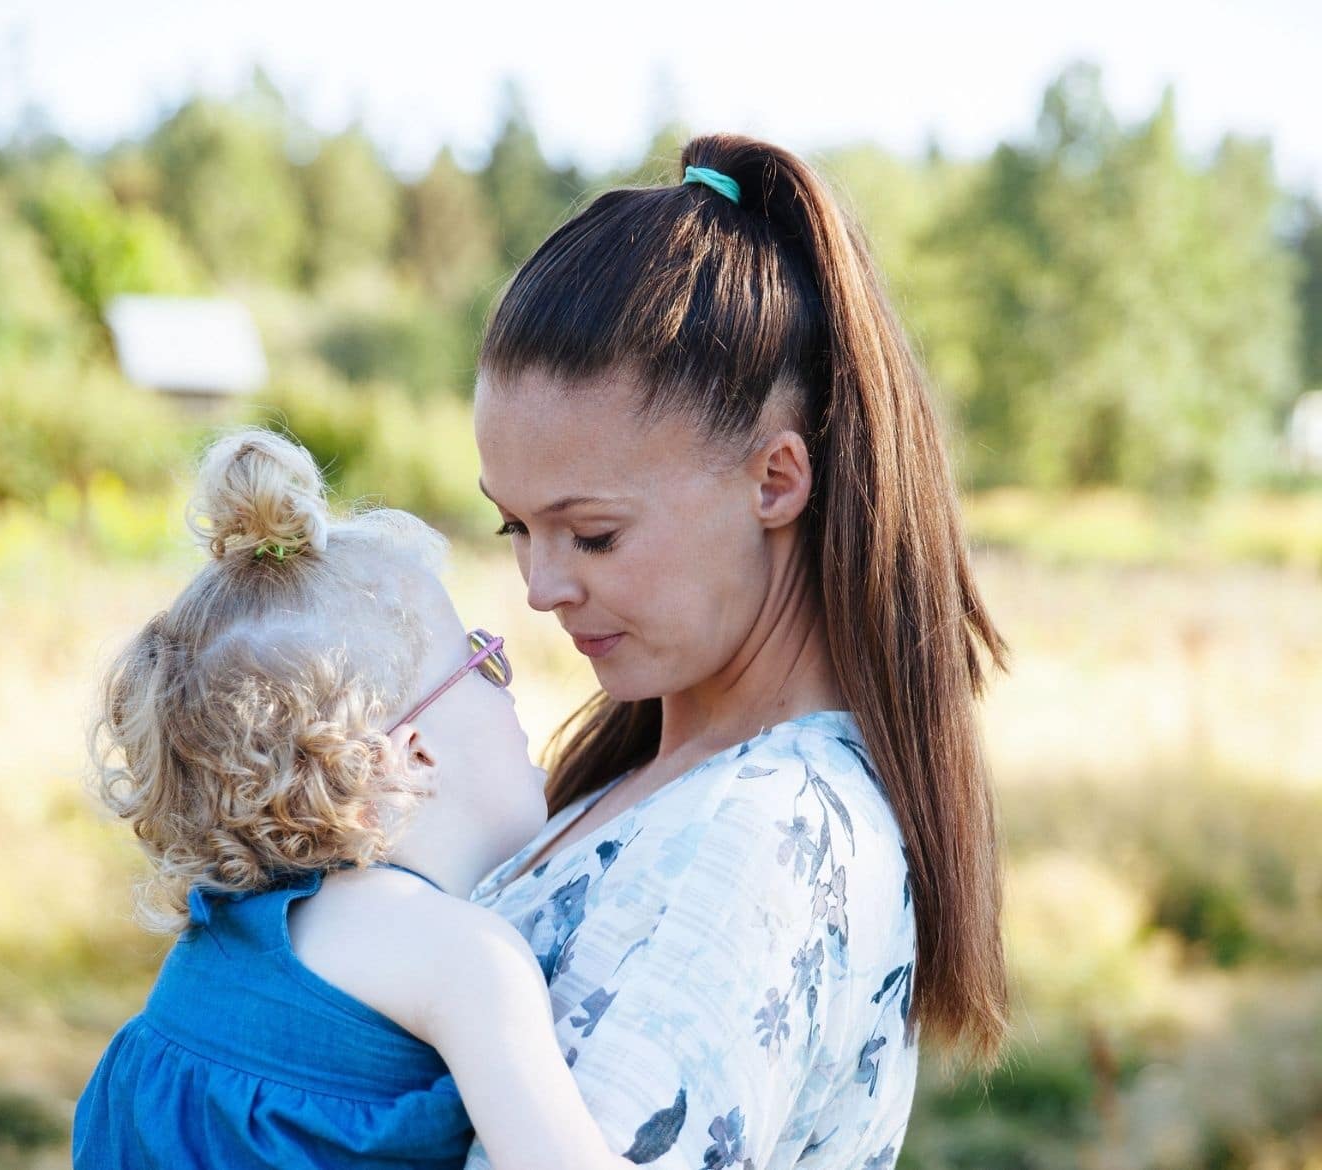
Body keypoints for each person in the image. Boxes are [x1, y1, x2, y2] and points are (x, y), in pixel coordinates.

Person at [463, 134, 1010, 1169]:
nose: (541, 588)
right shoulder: (662, 785)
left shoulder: (767, 841)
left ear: (775, 481)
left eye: (594, 534)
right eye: (516, 529)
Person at [72, 429, 639, 1170]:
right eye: (482, 662)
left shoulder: (205, 963)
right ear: (414, 754)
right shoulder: (465, 958)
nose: (508, 683)